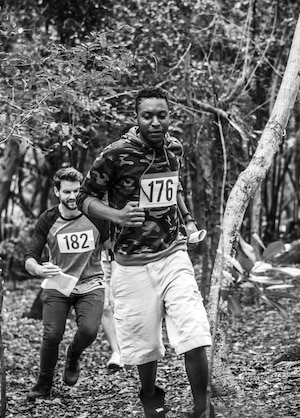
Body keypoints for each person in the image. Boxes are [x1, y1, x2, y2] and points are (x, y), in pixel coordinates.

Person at [77, 87, 214, 418]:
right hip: (130, 264)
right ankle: (152, 399)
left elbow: (176, 186)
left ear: (169, 116)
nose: (155, 122)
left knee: (193, 331)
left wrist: (189, 222)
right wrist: (117, 216)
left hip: (172, 255)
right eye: (147, 115)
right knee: (144, 349)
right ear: (136, 118)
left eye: (161, 115)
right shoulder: (114, 155)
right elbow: (85, 197)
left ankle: (202, 408)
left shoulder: (174, 149)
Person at [24, 167, 108, 400]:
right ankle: (44, 384)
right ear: (57, 192)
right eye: (67, 192)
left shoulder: (96, 217)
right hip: (58, 284)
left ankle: (73, 356)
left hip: (91, 283)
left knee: (90, 331)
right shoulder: (48, 219)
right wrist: (39, 268)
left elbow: (113, 250)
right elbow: (30, 257)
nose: (72, 196)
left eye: (77, 191)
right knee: (52, 335)